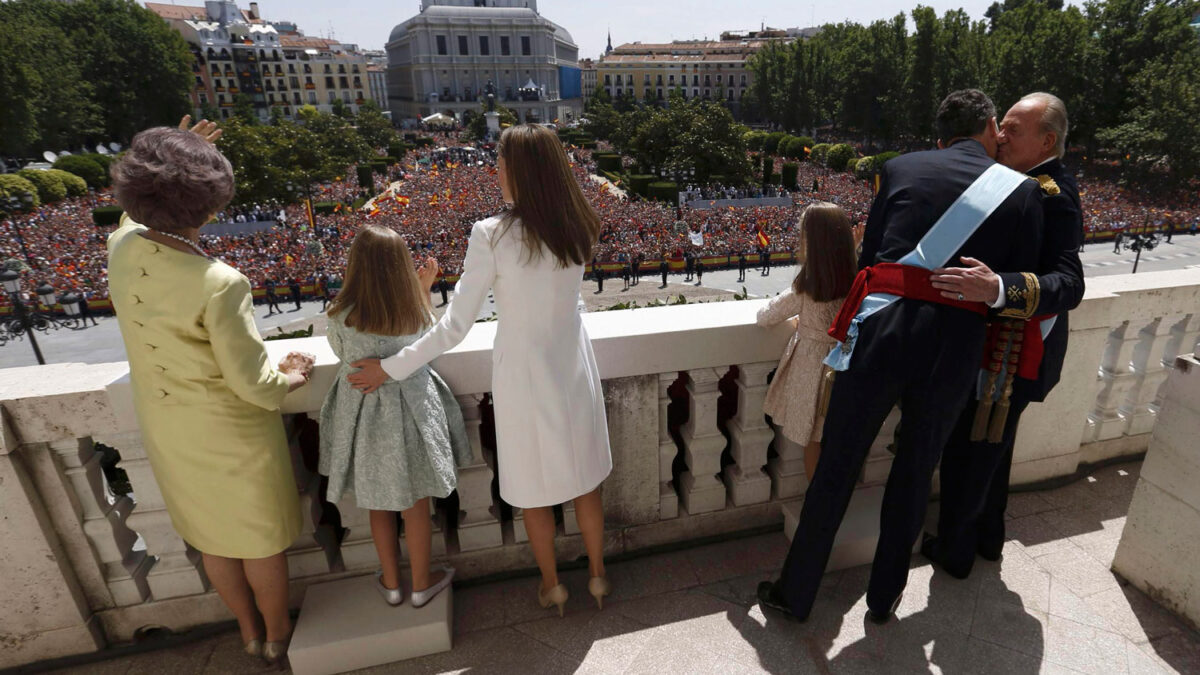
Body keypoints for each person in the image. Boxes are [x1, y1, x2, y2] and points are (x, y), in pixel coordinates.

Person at [758, 90, 1044, 624]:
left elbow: (869, 264)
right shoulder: (1023, 191)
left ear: (938, 135)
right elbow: (1014, 289)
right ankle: (884, 597)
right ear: (988, 126)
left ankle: (795, 593)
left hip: (881, 331)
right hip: (956, 344)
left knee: (837, 465)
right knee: (915, 470)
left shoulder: (899, 166)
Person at [347, 124, 614, 617]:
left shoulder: (492, 233)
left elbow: (454, 328)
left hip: (523, 374)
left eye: (502, 163)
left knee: (535, 492)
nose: (496, 172)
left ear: (521, 172)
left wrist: (391, 367)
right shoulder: (581, 223)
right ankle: (597, 576)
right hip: (573, 363)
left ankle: (553, 585)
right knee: (585, 482)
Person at [107, 117, 314, 665]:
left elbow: (134, 214)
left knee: (215, 538)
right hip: (230, 434)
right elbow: (255, 384)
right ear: (212, 204)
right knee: (259, 542)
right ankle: (276, 634)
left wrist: (172, 157)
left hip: (170, 430)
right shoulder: (220, 282)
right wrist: (293, 372)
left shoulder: (122, 248)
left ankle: (246, 630)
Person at [923, 92, 1084, 579]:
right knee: (992, 453)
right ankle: (987, 537)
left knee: (969, 454)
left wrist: (997, 288)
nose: (1000, 135)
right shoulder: (1022, 181)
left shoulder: (1052, 193)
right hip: (1006, 351)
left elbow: (1069, 283)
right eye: (1001, 125)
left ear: (1047, 140)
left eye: (1013, 128)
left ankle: (954, 551)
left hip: (1010, 353)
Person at [319, 225, 472, 608]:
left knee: (378, 504)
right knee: (417, 504)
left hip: (366, 416)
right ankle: (421, 583)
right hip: (413, 413)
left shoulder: (339, 314)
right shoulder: (413, 310)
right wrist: (423, 290)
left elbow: (342, 355)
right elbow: (429, 340)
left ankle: (390, 582)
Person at [756, 203, 858, 481]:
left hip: (814, 368)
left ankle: (818, 502)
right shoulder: (858, 278)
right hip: (848, 364)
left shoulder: (808, 284)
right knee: (839, 438)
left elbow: (765, 316)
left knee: (815, 439)